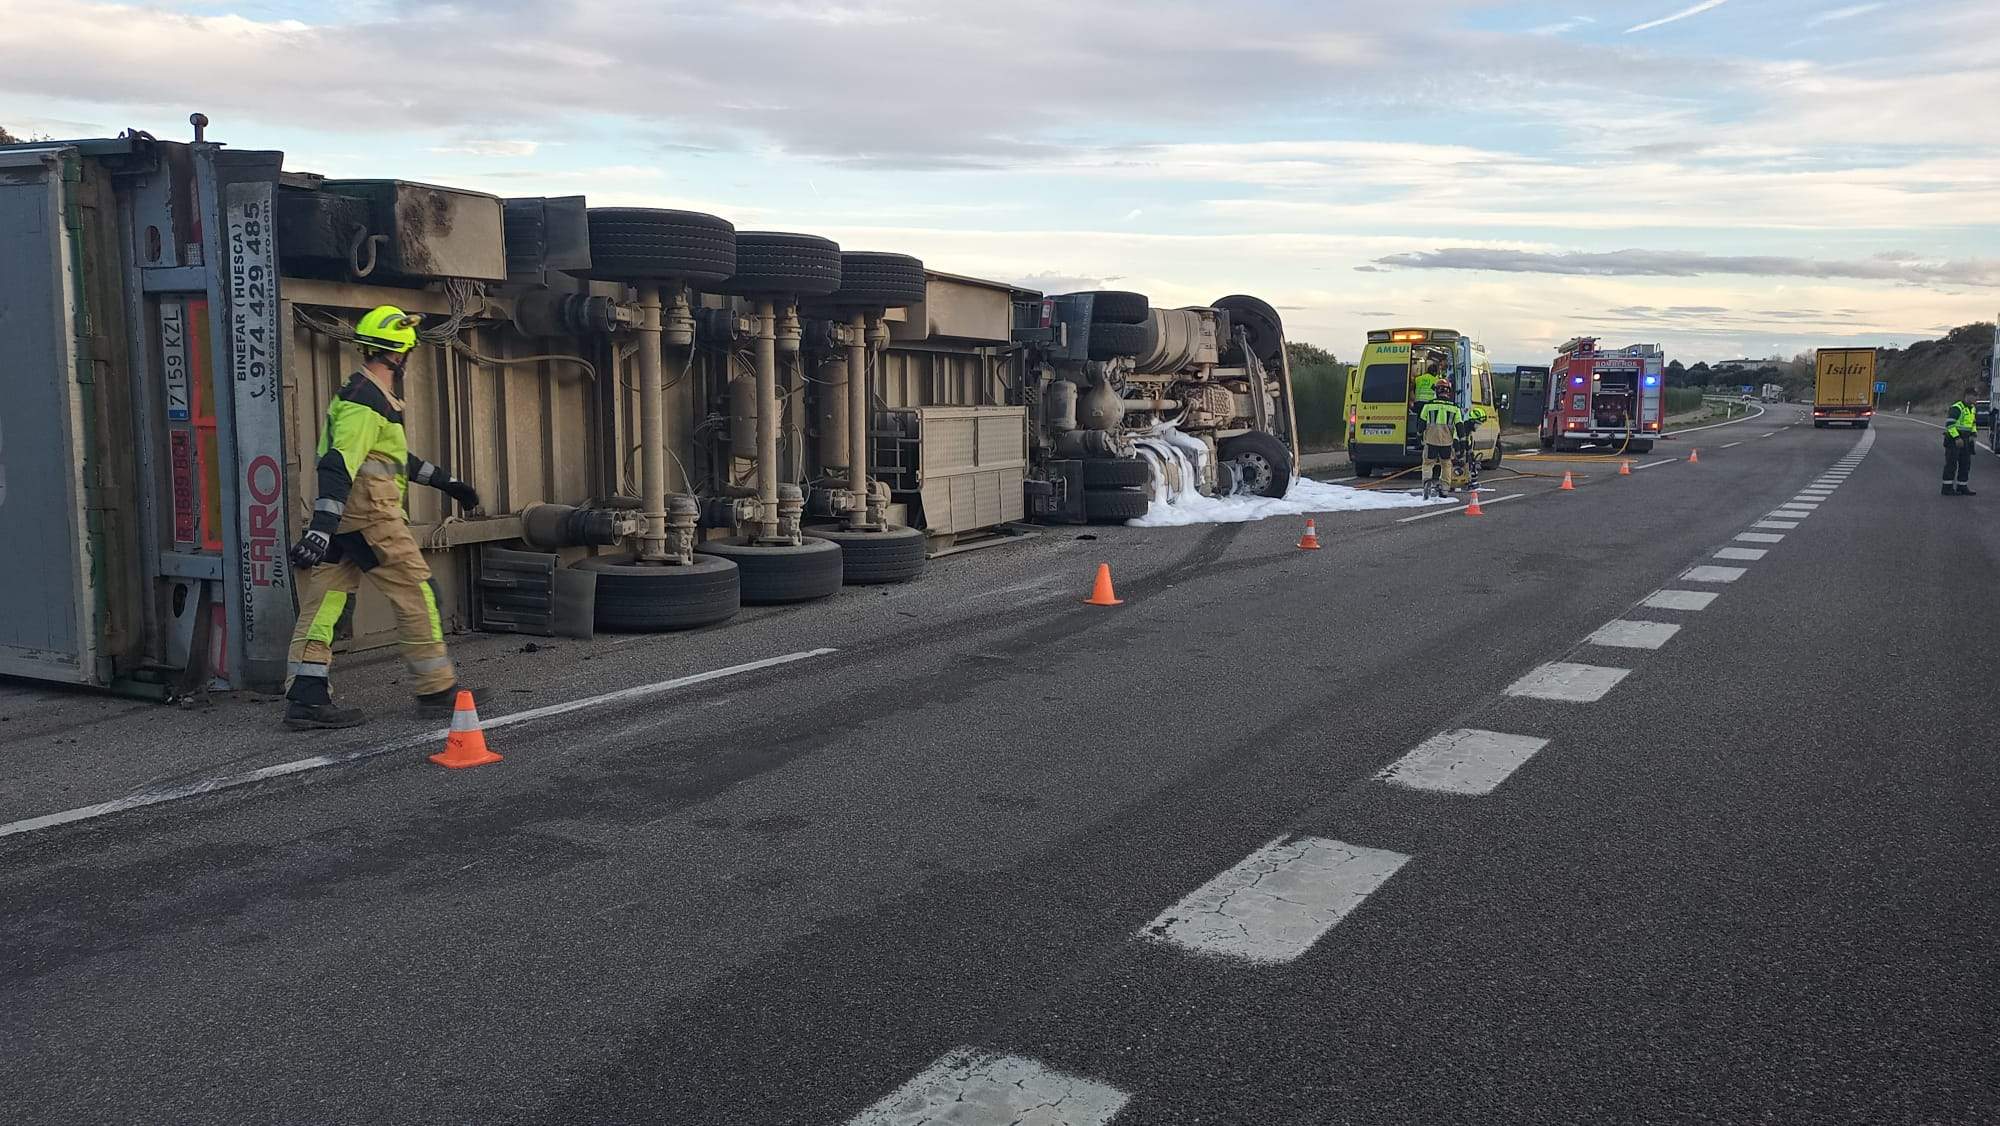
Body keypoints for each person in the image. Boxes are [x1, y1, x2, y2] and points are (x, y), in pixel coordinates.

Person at [283, 305, 481, 730]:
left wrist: (447, 483)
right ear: (400, 354)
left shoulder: (364, 395)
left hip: (347, 522)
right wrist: (319, 528)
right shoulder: (365, 401)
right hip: (371, 519)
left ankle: (306, 695)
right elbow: (338, 463)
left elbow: (391, 458)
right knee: (418, 592)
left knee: (326, 603)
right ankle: (436, 689)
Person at [1418, 380, 1462, 500]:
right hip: (1447, 442)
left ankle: (1427, 483)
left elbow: (1421, 423)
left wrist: (1419, 435)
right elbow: (1459, 426)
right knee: (1446, 465)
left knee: (1428, 464)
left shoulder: (1428, 406)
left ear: (1437, 391)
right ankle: (1444, 489)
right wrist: (1460, 442)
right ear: (1449, 392)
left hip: (1431, 440)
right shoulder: (1454, 408)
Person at [1943, 389, 1977, 496]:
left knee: (1965, 464)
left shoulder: (1972, 409)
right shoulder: (1957, 407)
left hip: (1966, 439)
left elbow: (1973, 423)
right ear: (1967, 396)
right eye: (1974, 396)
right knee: (1951, 464)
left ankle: (1962, 486)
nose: (1976, 398)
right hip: (1954, 440)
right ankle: (1947, 488)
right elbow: (1950, 424)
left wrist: (1973, 434)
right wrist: (1957, 438)